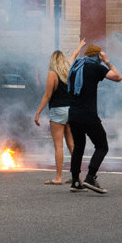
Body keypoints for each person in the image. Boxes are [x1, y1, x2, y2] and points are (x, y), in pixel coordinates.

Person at [65, 41, 121, 193]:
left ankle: (76, 181)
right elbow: (118, 77)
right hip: (88, 114)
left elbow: (71, 59)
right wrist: (107, 61)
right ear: (98, 56)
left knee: (78, 147)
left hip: (73, 114)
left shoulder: (75, 67)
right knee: (102, 145)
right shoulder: (96, 67)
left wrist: (78, 48)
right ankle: (90, 176)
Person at [32, 50, 74, 185]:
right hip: (71, 110)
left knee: (58, 146)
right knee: (73, 145)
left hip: (57, 110)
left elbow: (47, 96)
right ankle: (76, 176)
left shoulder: (52, 74)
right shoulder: (69, 72)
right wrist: (79, 47)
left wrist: (38, 112)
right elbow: (72, 59)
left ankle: (59, 177)